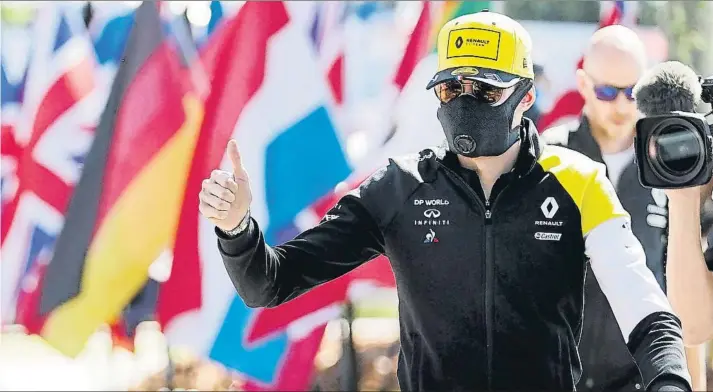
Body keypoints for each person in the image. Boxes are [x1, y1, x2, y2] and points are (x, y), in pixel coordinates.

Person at [199, 11, 692, 391]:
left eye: (485, 89)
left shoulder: (578, 181)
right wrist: (237, 226)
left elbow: (647, 314)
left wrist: (669, 381)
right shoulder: (399, 184)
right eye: (452, 86)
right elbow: (270, 283)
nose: (464, 101)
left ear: (525, 97)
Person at [540, 25, 665, 391]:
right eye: (607, 91)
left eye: (633, 91)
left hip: (638, 378)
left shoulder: (670, 162)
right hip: (555, 374)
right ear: (583, 84)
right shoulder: (550, 158)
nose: (622, 104)